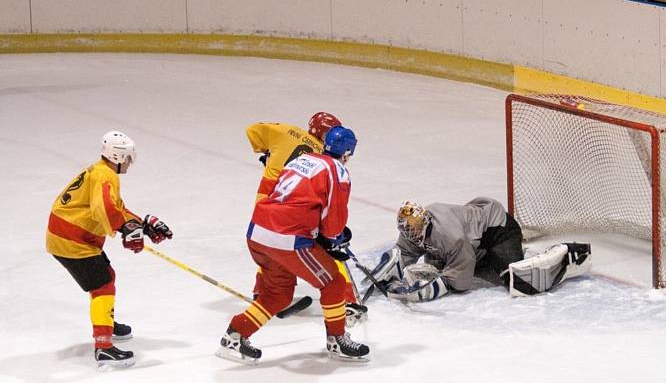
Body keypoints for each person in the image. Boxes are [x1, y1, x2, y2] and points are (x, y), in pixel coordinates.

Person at [218, 125, 370, 363]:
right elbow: (334, 218)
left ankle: (236, 334)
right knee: (333, 282)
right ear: (348, 152)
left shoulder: (301, 160)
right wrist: (334, 240)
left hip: (258, 232)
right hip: (288, 238)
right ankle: (337, 340)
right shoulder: (337, 170)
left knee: (277, 294)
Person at [46, 131, 173, 368]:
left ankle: (105, 320)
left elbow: (115, 207)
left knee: (106, 278)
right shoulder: (106, 176)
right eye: (128, 159)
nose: (129, 163)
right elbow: (103, 209)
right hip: (71, 241)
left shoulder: (102, 171)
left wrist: (141, 225)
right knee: (102, 285)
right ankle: (103, 347)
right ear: (118, 155)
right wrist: (127, 229)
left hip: (69, 236)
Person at [244, 113, 363, 320]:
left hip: (267, 202)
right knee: (323, 250)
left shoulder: (286, 131)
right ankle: (345, 299)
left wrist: (269, 153)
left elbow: (253, 130)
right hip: (297, 209)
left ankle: (262, 291)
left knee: (272, 249)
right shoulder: (324, 157)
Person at [369, 197, 591, 302]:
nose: (411, 235)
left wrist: (431, 289)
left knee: (520, 280)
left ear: (426, 221)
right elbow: (404, 253)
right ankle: (484, 258)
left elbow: (461, 281)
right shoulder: (413, 228)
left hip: (497, 230)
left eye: (415, 230)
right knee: (439, 264)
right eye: (408, 231)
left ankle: (569, 255)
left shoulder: (450, 235)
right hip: (474, 238)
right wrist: (386, 273)